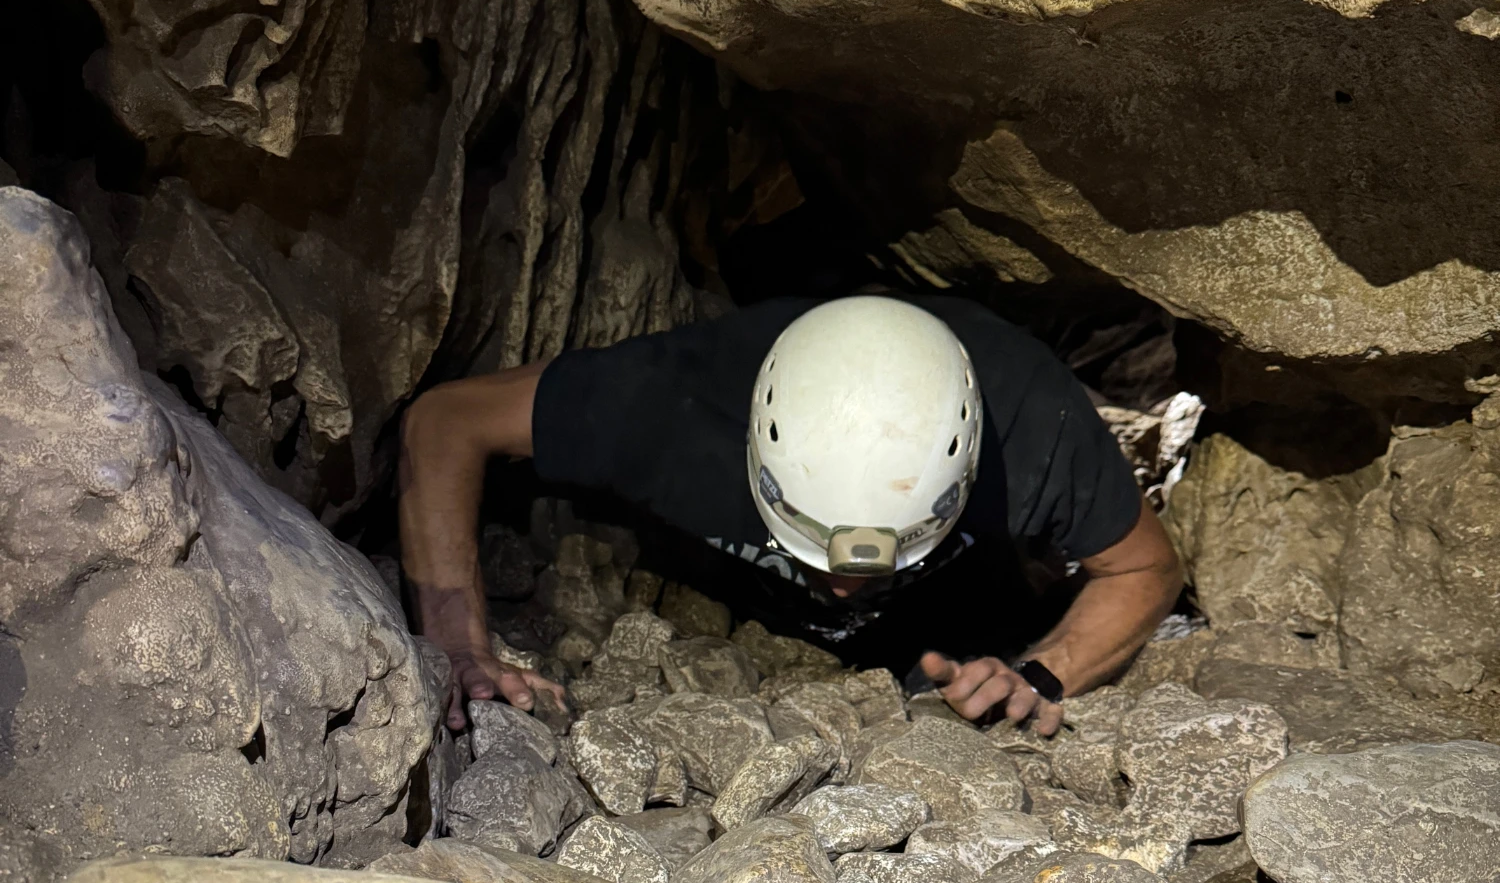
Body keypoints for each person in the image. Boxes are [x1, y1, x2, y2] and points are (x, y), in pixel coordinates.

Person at [399, 293, 1183, 734]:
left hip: (956, 631)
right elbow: (446, 423)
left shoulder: (1031, 424)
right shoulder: (669, 409)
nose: (844, 588)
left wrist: (1040, 673)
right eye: (813, 550)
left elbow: (1146, 565)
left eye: (887, 555)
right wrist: (459, 645)